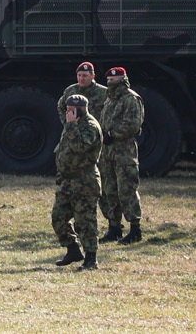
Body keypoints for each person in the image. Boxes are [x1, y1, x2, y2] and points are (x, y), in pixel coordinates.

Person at [51, 93, 102, 269]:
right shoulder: (70, 124)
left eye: (73, 110)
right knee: (58, 218)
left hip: (85, 182)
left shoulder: (90, 126)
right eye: (68, 109)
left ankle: (91, 258)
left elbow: (80, 147)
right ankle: (73, 250)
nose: (69, 113)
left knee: (85, 222)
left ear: (82, 110)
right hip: (67, 181)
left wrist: (72, 125)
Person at [97, 66, 146, 243]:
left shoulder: (131, 98)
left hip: (124, 151)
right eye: (109, 80)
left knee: (127, 189)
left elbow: (133, 123)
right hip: (108, 151)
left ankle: (135, 229)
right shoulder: (110, 99)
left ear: (122, 80)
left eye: (114, 80)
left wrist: (113, 134)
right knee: (109, 190)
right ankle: (114, 227)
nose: (110, 83)